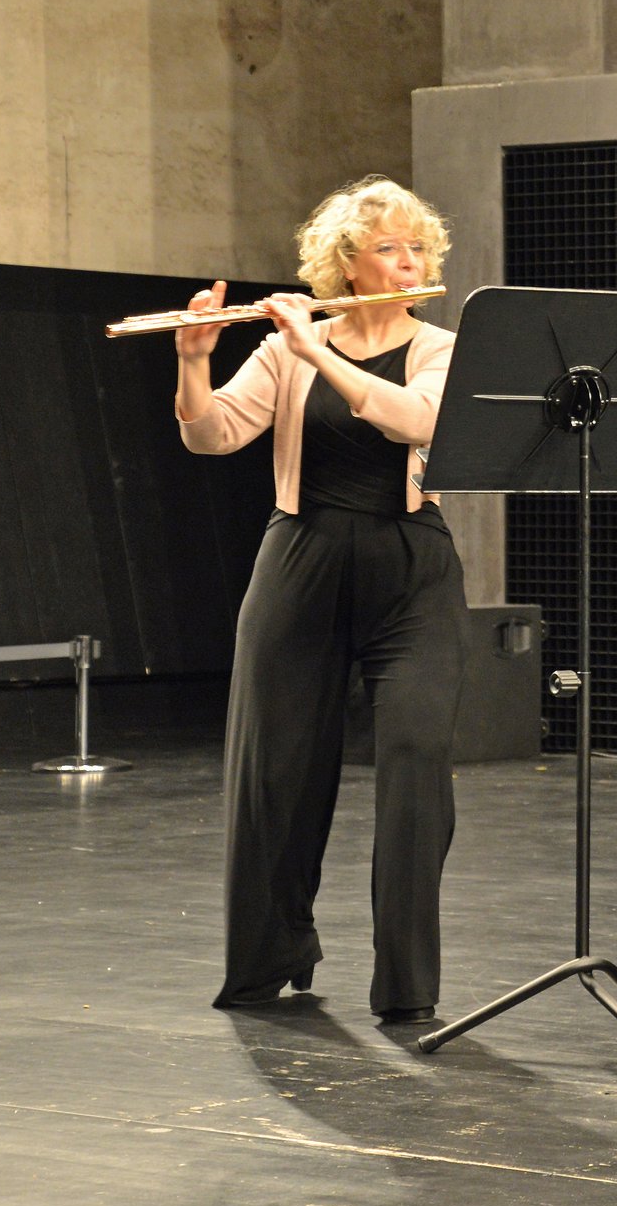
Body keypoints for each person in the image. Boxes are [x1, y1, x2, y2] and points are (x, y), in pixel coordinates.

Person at [179, 177, 465, 1025]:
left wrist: (318, 355)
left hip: (410, 567)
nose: (408, 259)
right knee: (275, 772)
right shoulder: (285, 348)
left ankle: (406, 986)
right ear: (347, 263)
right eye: (389, 246)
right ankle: (272, 955)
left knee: (414, 763)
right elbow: (213, 433)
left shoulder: (441, 347)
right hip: (300, 556)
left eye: (418, 246)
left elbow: (415, 421)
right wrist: (195, 360)